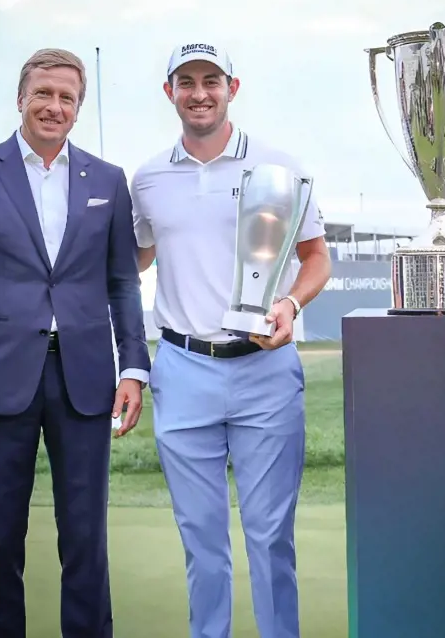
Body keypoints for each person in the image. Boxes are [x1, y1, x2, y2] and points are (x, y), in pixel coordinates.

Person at [0, 47, 151, 638]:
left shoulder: (107, 180)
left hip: (85, 382)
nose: (54, 107)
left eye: (67, 98)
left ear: (79, 108)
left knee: (85, 540)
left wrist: (134, 367)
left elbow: (122, 282)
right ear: (20, 98)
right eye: (43, 94)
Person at [130, 42, 331, 638]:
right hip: (184, 367)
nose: (199, 92)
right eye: (186, 81)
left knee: (270, 537)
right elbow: (133, 259)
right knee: (202, 540)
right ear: (170, 92)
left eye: (210, 80)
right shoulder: (147, 178)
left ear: (231, 88)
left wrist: (292, 303)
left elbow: (316, 258)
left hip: (264, 369)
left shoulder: (279, 165)